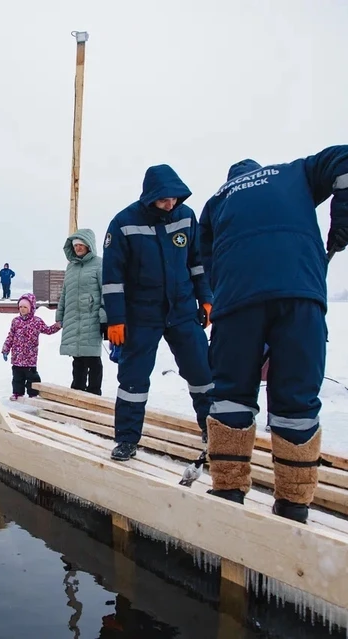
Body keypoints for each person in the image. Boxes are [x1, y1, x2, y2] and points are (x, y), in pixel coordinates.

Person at [199, 145, 348, 523]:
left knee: (231, 396)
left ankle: (227, 491)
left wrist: (231, 298)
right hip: (300, 295)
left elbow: (206, 260)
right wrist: (343, 219)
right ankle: (293, 504)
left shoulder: (216, 201)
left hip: (238, 301)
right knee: (296, 399)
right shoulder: (295, 173)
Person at [102, 165, 213, 463]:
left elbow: (197, 263)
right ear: (150, 196)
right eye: (165, 199)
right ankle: (126, 439)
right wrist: (115, 320)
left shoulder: (187, 217)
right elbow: (112, 278)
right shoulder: (123, 223)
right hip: (142, 316)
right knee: (133, 380)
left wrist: (206, 298)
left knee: (202, 371)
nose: (171, 204)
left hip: (182, 310)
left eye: (175, 198)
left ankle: (212, 429)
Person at [56, 229, 107, 395]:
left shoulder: (99, 264)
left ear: (89, 245)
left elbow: (105, 291)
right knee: (77, 358)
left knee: (92, 358)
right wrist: (60, 315)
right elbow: (65, 293)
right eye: (75, 245)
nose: (77, 248)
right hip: (73, 317)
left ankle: (93, 393)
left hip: (91, 317)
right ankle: (77, 391)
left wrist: (105, 318)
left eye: (81, 245)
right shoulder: (71, 267)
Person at [1, 292, 61, 400]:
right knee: (17, 377)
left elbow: (47, 330)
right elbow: (10, 336)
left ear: (31, 307)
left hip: (30, 356)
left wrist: (57, 326)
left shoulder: (37, 321)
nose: (22, 309)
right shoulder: (16, 322)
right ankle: (17, 393)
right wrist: (5, 349)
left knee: (32, 377)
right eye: (20, 307)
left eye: (25, 307)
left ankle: (33, 393)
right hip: (17, 356)